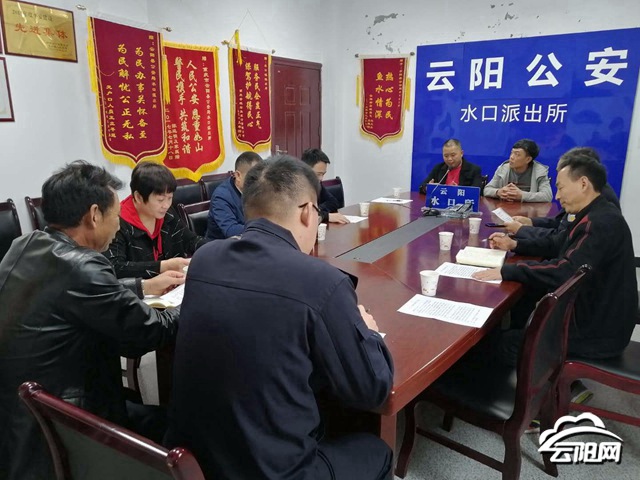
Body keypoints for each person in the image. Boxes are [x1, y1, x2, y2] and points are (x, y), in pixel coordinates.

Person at [165, 156, 394, 480]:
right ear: (307, 212)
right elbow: (373, 389)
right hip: (273, 472)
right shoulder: (322, 282)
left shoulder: (204, 259)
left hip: (198, 458)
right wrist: (367, 332)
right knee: (377, 451)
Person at [0, 161, 183, 480]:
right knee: (178, 424)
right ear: (94, 215)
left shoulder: (25, 244)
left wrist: (142, 286)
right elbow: (152, 330)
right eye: (116, 216)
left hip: (18, 417)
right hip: (64, 426)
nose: (118, 227)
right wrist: (194, 301)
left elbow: (69, 292)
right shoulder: (84, 267)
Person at [473, 148, 637, 366]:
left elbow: (565, 271)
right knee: (519, 314)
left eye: (560, 188)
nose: (557, 196)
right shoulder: (594, 213)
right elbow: (559, 242)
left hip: (596, 333)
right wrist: (517, 244)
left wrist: (507, 270)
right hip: (593, 316)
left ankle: (525, 383)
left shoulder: (600, 223)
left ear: (583, 184)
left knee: (498, 344)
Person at [105, 161, 206, 279]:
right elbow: (115, 267)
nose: (166, 205)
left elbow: (190, 240)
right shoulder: (118, 223)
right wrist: (163, 266)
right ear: (138, 197)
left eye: (170, 198)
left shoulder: (166, 213)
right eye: (160, 200)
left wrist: (217, 248)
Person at [504, 147, 621, 241]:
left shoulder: (601, 210)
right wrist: (530, 222)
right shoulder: (591, 195)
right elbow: (560, 223)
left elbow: (561, 240)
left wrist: (522, 230)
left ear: (583, 181)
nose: (558, 196)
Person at [205, 151, 262, 240]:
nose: (258, 183)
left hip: (251, 239)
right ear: (238, 175)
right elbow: (231, 230)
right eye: (254, 178)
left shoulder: (257, 190)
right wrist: (262, 228)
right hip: (222, 244)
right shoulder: (221, 196)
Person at [483, 139, 553, 202]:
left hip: (529, 210)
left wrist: (522, 195)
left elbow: (547, 196)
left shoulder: (539, 172)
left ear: (528, 159)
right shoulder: (503, 168)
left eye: (517, 154)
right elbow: (487, 189)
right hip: (505, 208)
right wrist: (498, 192)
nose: (511, 157)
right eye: (511, 153)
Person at [301, 148, 350, 224]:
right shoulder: (294, 187)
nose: (321, 178)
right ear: (305, 170)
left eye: (323, 174)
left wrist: (318, 210)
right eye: (318, 174)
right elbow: (302, 215)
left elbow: (333, 202)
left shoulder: (317, 184)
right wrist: (326, 216)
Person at [418, 138, 483, 194]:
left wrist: (459, 191)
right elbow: (421, 186)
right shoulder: (438, 168)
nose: (449, 159)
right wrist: (428, 188)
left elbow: (477, 192)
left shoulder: (474, 170)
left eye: (453, 155)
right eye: (446, 156)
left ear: (461, 153)